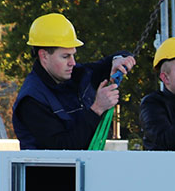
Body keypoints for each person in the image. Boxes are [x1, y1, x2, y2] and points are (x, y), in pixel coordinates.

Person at [12, 13, 137, 150]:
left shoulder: (76, 76)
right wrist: (97, 109)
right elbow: (62, 148)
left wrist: (118, 60)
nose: (72, 62)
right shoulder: (31, 100)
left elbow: (108, 63)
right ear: (44, 56)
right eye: (65, 56)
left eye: (73, 55)